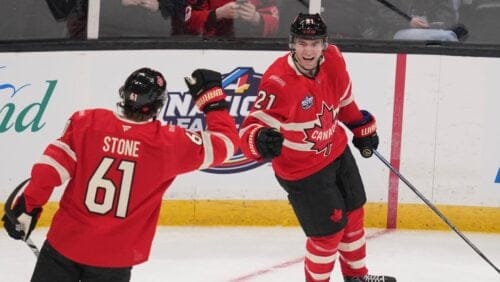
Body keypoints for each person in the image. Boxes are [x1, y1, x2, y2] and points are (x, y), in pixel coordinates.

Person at [2, 67, 239, 281]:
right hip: (115, 259)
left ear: (123, 95)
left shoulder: (87, 123)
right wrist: (212, 101)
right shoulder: (169, 143)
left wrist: (28, 206)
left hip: (64, 245)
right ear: (158, 104)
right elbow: (226, 144)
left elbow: (48, 171)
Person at [239, 13, 396, 282]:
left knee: (354, 215)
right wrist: (260, 139)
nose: (308, 50)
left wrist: (360, 127)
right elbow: (249, 129)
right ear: (292, 44)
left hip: (336, 152)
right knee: (327, 235)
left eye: (314, 44)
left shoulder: (334, 59)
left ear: (324, 44)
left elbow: (344, 103)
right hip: (302, 172)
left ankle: (356, 277)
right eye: (302, 43)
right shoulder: (278, 81)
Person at [178, 0, 279, 37]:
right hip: (206, 48)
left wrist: (256, 18)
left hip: (252, 48)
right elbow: (184, 20)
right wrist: (216, 14)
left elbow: (276, 22)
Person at [376, 0, 459, 41]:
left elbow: (447, 18)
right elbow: (381, 12)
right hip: (391, 40)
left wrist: (429, 26)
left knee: (447, 36)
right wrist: (408, 22)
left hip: (433, 38)